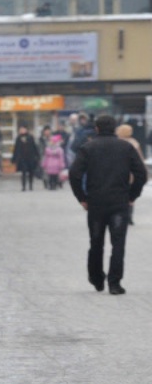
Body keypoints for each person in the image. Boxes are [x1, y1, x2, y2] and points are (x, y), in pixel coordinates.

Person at [69, 115, 147, 295]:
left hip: (96, 203)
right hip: (119, 202)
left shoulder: (87, 148)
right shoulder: (126, 147)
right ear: (115, 128)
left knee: (96, 242)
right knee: (118, 243)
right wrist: (132, 195)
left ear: (96, 128)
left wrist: (82, 197)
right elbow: (141, 174)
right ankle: (115, 283)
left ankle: (96, 277)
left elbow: (75, 174)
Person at [116, 124, 145, 225]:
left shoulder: (117, 143)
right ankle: (129, 216)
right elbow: (140, 159)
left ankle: (121, 215)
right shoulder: (134, 143)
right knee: (130, 195)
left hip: (120, 172)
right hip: (132, 173)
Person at [12, 125, 40, 191]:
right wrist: (14, 158)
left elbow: (34, 147)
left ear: (26, 130)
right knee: (23, 172)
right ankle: (23, 186)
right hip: (22, 158)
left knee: (31, 172)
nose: (22, 130)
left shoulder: (30, 137)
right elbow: (16, 148)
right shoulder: (18, 138)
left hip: (30, 158)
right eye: (20, 129)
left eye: (23, 129)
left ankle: (30, 185)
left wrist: (37, 155)